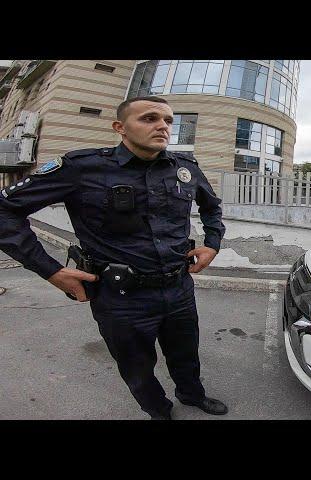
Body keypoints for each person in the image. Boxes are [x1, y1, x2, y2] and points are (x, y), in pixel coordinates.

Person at [0, 96, 228, 420]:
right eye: (149, 118)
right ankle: (159, 410)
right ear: (120, 127)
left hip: (179, 289)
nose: (162, 125)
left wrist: (213, 244)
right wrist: (51, 271)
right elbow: (5, 210)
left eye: (167, 120)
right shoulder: (81, 168)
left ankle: (192, 394)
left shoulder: (185, 168)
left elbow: (212, 207)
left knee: (186, 353)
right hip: (120, 298)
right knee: (137, 365)